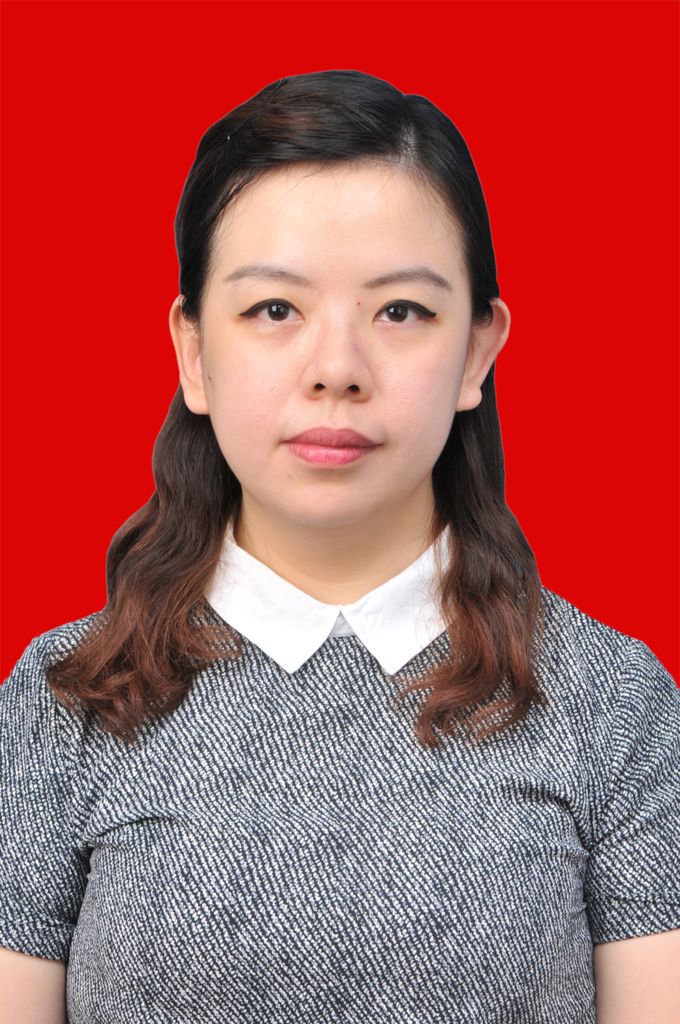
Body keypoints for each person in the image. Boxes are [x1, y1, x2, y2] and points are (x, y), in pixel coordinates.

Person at [1, 69, 678, 1024]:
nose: (337, 370)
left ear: (477, 352)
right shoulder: (61, 703)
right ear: (193, 352)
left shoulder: (616, 707)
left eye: (401, 311)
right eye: (274, 310)